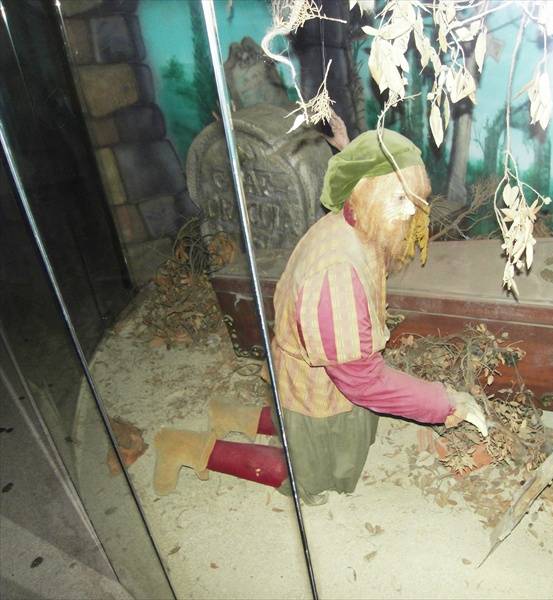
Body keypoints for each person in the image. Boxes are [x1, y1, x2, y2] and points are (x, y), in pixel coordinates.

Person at [152, 128, 487, 504]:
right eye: (399, 197)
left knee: (325, 431)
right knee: (312, 475)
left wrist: (349, 148)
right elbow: (363, 381)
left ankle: (232, 415)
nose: (412, 210)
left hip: (321, 365)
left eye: (415, 197)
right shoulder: (336, 272)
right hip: (320, 383)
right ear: (365, 192)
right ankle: (184, 445)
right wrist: (445, 402)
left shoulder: (354, 219)